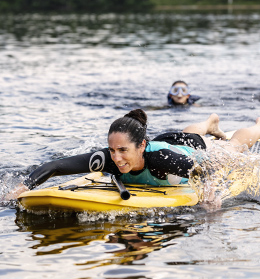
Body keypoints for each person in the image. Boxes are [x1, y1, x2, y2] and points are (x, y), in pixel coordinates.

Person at [6, 109, 260, 204]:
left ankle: (255, 125)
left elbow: (206, 171)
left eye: (122, 151)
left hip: (188, 149)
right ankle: (209, 121)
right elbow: (56, 166)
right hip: (165, 139)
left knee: (232, 148)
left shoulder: (161, 160)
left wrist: (211, 193)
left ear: (140, 147)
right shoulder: (109, 157)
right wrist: (23, 186)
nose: (116, 158)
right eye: (112, 150)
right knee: (186, 133)